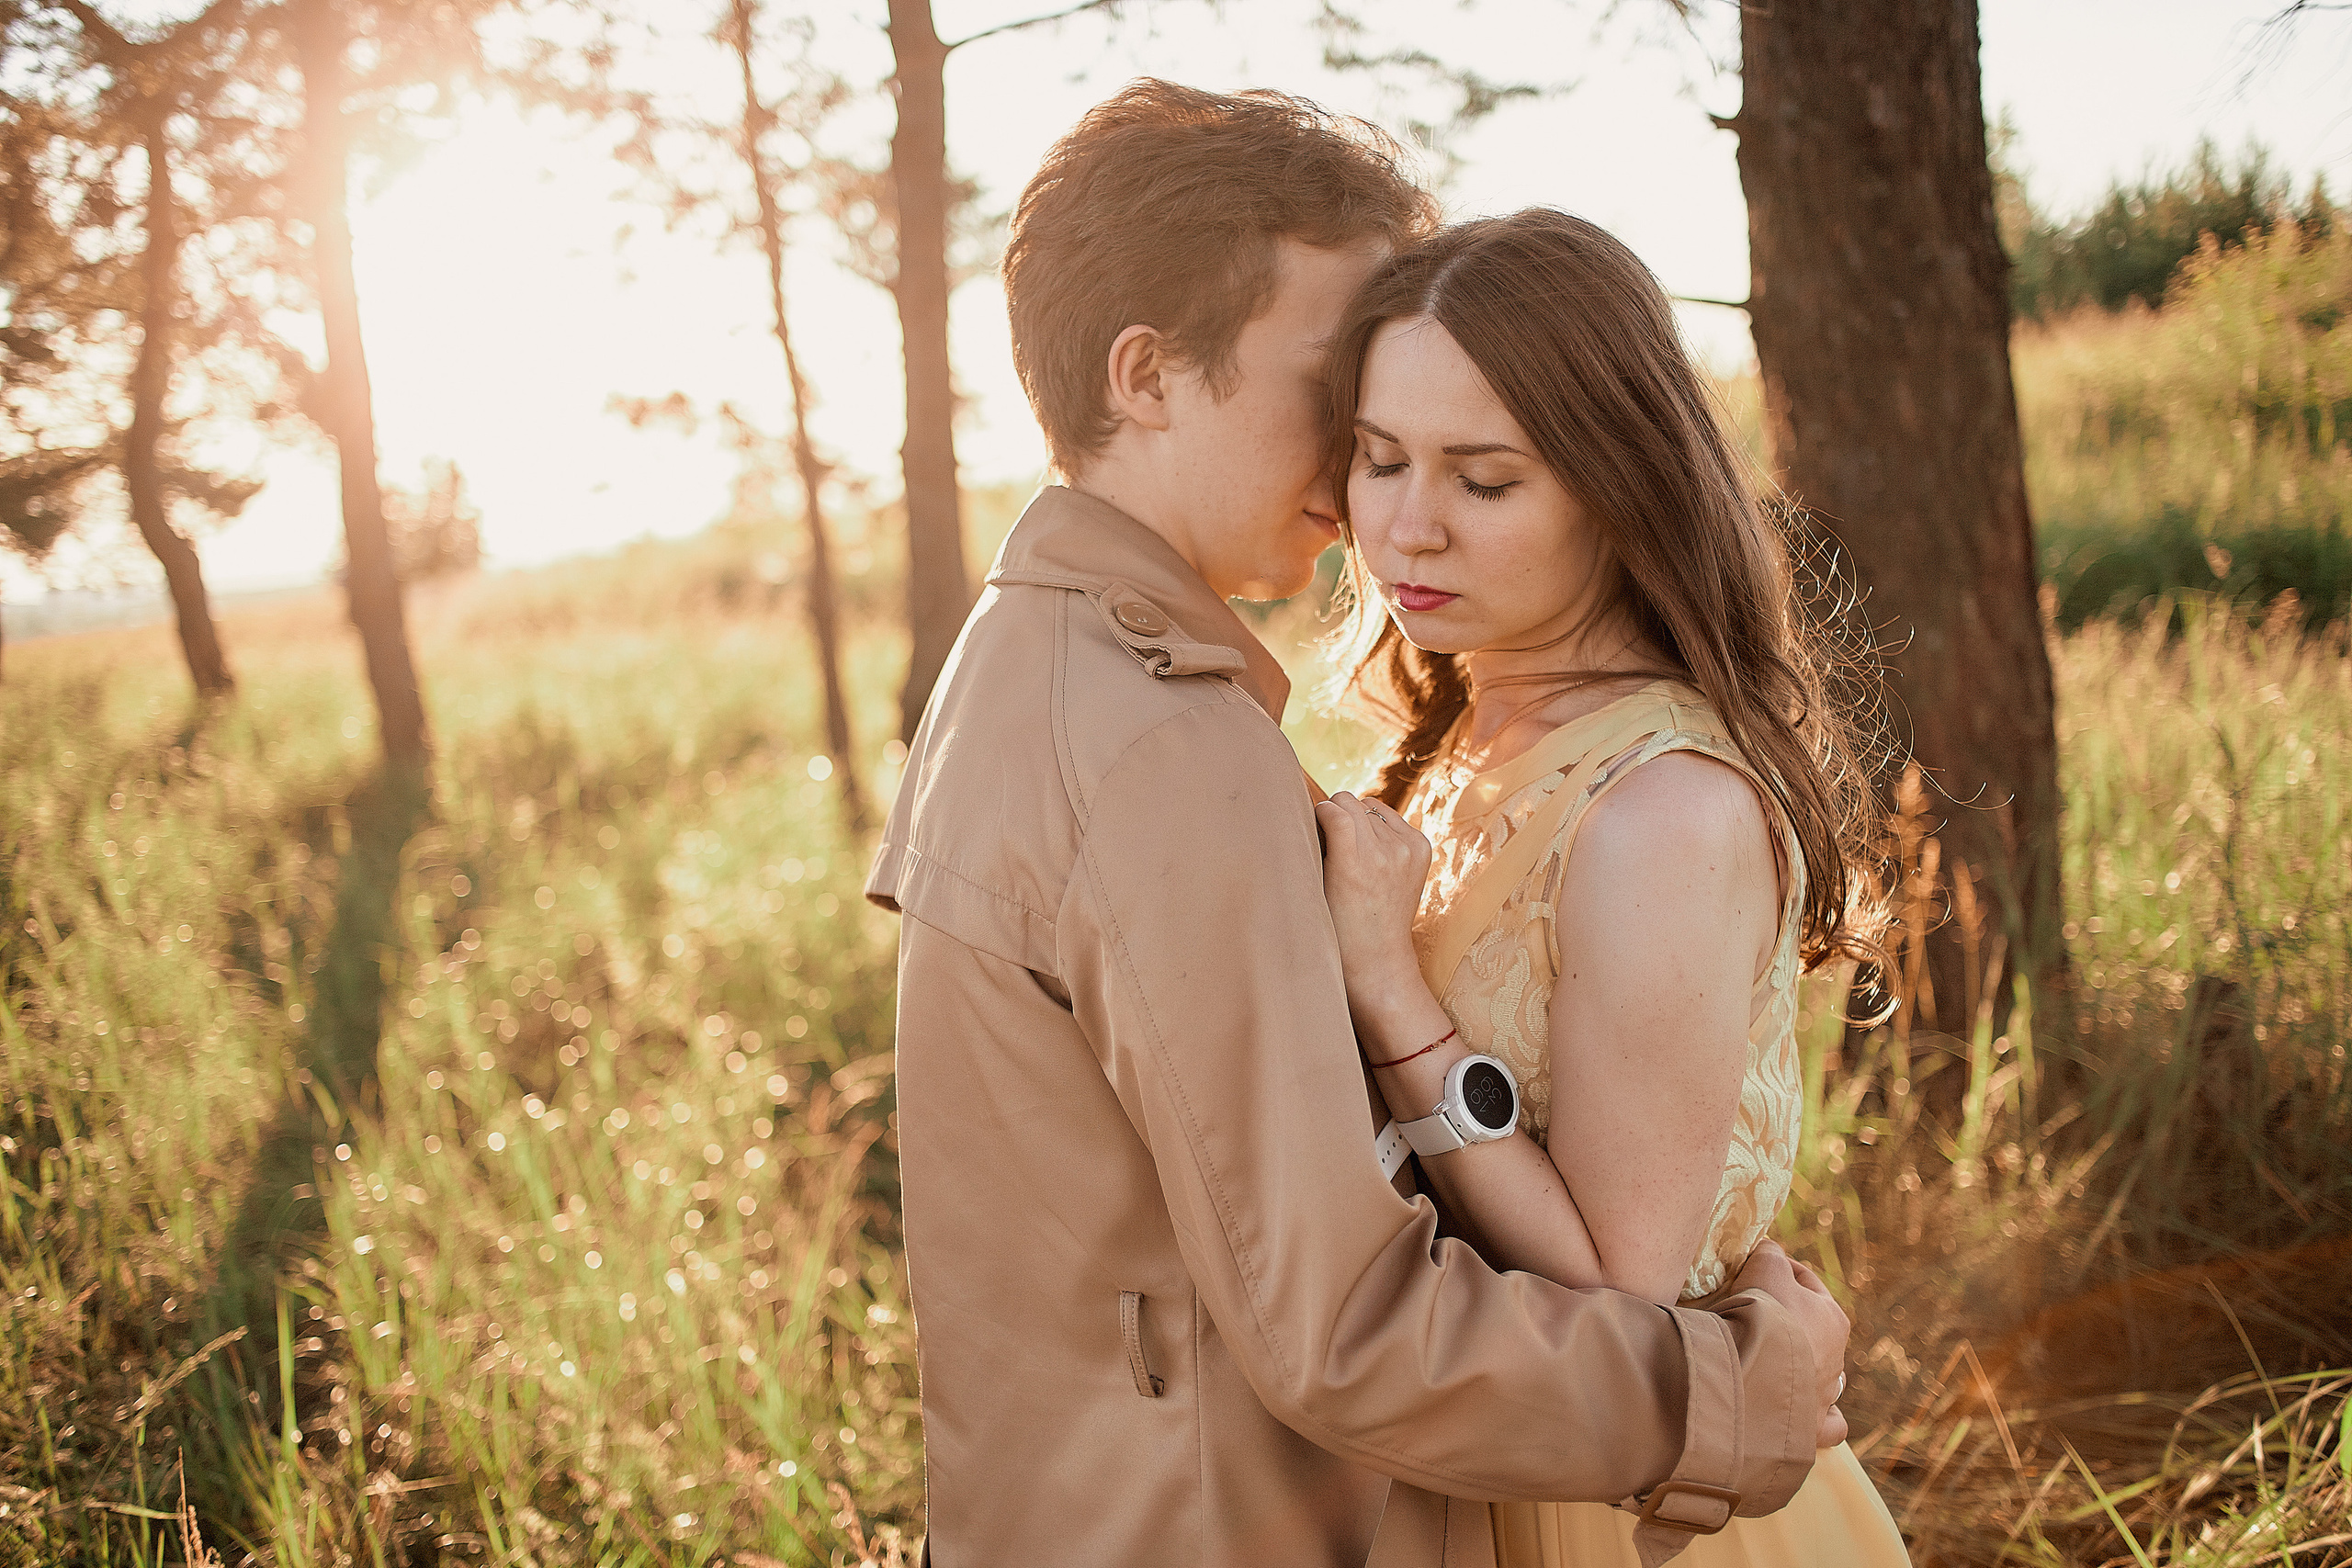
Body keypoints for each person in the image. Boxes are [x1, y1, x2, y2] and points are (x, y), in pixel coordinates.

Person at [865, 81, 1851, 1567]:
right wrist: (1723, 1395)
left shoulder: (1036, 665)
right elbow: (1336, 1319)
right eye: (1347, 419)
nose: (1367, 497)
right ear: (1145, 374)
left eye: (1477, 469)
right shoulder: (1156, 746)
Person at [1313, 209, 1911, 1568]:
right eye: (1381, 458)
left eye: (1486, 478)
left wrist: (1387, 988)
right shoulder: (1463, 737)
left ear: (1616, 482)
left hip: (1612, 1502)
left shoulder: (1665, 813)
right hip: (1463, 1448)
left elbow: (1613, 1284)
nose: (1410, 525)